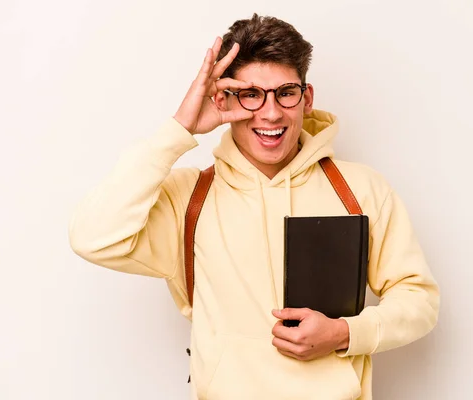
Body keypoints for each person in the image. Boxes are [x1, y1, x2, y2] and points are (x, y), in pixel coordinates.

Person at [69, 13, 440, 400]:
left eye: (285, 92)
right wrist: (180, 129)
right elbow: (91, 237)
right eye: (250, 94)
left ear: (306, 98)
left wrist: (346, 333)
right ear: (224, 99)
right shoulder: (188, 199)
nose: (271, 112)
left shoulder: (361, 189)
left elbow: (419, 299)